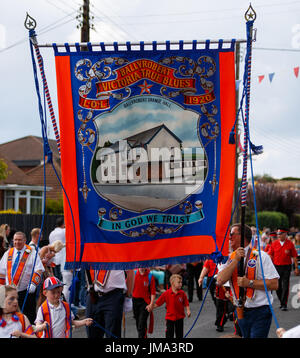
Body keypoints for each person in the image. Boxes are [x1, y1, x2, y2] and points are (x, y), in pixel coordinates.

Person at [217, 223, 279, 338]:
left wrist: (250, 283)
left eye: (232, 234)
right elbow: (220, 280)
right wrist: (235, 260)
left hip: (260, 311)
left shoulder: (261, 256)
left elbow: (274, 284)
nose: (229, 237)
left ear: (242, 236)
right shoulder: (228, 258)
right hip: (240, 310)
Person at [0, 231, 45, 324]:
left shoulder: (32, 252)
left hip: (26, 291)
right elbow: (1, 272)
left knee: (29, 316)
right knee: (11, 316)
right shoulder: (8, 253)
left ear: (25, 240)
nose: (17, 242)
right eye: (15, 240)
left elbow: (39, 269)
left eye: (20, 240)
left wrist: (34, 283)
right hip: (10, 292)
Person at [85, 269, 134, 338]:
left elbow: (129, 270)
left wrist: (128, 296)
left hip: (113, 295)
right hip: (92, 295)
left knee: (112, 334)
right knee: (91, 332)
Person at [149, 274, 191, 338]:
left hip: (180, 317)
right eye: (179, 282)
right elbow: (158, 303)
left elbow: (186, 303)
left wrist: (188, 310)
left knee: (179, 334)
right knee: (169, 334)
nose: (181, 284)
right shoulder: (166, 293)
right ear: (172, 283)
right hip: (170, 318)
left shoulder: (182, 293)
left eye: (181, 282)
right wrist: (150, 306)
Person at [268, 227, 299, 311]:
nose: (278, 236)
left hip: (286, 267)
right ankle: (282, 300)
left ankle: (284, 304)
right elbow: (270, 255)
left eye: (280, 234)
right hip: (276, 267)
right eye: (278, 234)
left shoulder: (290, 244)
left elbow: (294, 256)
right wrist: (269, 267)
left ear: (285, 234)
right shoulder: (274, 244)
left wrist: (296, 268)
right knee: (278, 286)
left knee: (285, 285)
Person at [132, 268, 156, 338]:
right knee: (138, 322)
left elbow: (153, 292)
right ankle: (144, 336)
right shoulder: (134, 273)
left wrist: (151, 304)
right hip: (135, 301)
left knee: (141, 323)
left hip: (145, 302)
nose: (142, 267)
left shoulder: (150, 276)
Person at [48, 217, 65, 281]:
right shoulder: (64, 231)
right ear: (63, 224)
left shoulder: (51, 233)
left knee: (56, 279)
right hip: (62, 259)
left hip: (54, 259)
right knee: (62, 280)